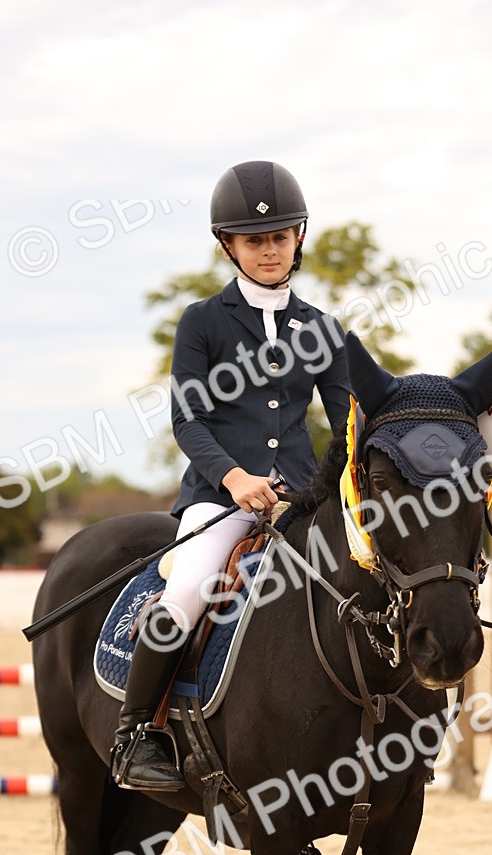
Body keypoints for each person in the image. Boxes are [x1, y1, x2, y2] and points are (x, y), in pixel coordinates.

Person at [111, 160, 351, 790]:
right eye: (254, 240)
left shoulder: (321, 329)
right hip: (220, 500)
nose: (268, 250)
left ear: (298, 237)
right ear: (229, 246)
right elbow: (188, 423)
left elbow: (349, 419)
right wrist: (238, 479)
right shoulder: (202, 322)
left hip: (301, 501)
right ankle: (136, 734)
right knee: (185, 593)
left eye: (278, 237)